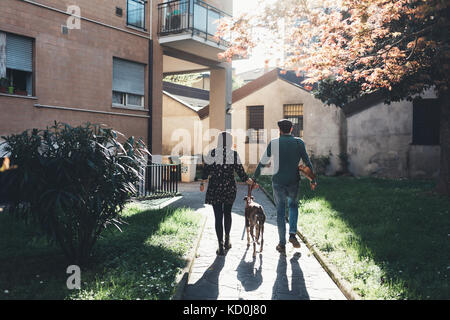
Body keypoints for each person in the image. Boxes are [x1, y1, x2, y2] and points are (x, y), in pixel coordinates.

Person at [253, 119, 316, 255]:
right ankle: (292, 234)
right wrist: (313, 180)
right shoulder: (298, 142)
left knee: (280, 212)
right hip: (294, 180)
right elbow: (307, 161)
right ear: (291, 129)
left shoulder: (274, 143)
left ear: (279, 130)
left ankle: (282, 244)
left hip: (278, 181)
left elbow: (263, 162)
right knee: (293, 206)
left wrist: (254, 178)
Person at [200, 132, 254, 256]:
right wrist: (249, 181)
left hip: (215, 188)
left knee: (218, 216)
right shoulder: (233, 154)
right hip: (229, 188)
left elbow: (206, 171)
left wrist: (202, 183)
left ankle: (220, 245)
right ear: (230, 141)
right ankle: (227, 240)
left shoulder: (212, 153)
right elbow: (240, 172)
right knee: (228, 213)